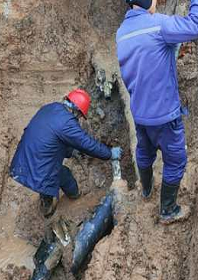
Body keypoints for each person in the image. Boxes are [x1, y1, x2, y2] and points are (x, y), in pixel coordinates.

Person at [115, 0, 198, 224]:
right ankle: (167, 210)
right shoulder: (159, 26)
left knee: (144, 152)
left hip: (141, 115)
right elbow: (197, 25)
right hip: (166, 117)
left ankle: (145, 190)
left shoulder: (121, 33)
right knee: (176, 160)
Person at [9, 88, 123, 218]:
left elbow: (53, 137)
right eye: (80, 116)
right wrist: (109, 153)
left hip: (22, 160)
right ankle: (62, 203)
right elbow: (87, 144)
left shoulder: (51, 107)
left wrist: (70, 151)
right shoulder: (67, 123)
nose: (79, 118)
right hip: (39, 165)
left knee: (54, 173)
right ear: (77, 111)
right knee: (62, 175)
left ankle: (50, 197)